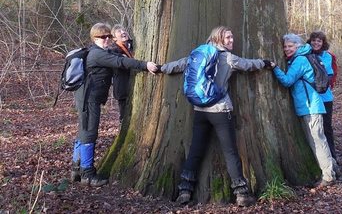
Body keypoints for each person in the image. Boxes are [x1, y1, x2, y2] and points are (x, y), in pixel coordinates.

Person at [159, 26, 272, 207]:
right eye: (228, 38)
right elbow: (248, 64)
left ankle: (185, 190)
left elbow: (181, 64)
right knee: (230, 152)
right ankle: (241, 193)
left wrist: (162, 68)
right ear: (218, 38)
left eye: (232, 37)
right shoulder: (228, 58)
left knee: (195, 150)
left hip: (200, 110)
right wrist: (265, 63)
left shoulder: (199, 54)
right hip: (220, 110)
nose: (231, 41)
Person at [71, 23, 158, 187]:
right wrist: (145, 65)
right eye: (102, 37)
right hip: (89, 99)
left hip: (87, 98)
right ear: (94, 38)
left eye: (108, 36)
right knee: (89, 132)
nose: (106, 40)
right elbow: (120, 63)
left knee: (83, 131)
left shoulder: (98, 52)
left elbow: (115, 54)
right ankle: (87, 174)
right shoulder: (97, 55)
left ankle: (76, 169)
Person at [268, 33, 336, 187]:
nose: (286, 49)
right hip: (307, 106)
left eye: (290, 46)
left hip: (311, 106)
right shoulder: (300, 58)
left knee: (318, 142)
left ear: (298, 46)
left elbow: (287, 81)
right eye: (285, 46)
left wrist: (275, 67)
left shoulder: (299, 60)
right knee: (317, 140)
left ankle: (328, 176)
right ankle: (333, 169)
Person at [307, 31, 338, 162]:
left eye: (319, 41)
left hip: (325, 98)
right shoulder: (305, 54)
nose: (316, 43)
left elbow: (329, 75)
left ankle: (332, 156)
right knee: (313, 130)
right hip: (310, 99)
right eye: (313, 40)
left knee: (326, 128)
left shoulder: (327, 56)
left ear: (323, 43)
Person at [108, 24, 135, 123]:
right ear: (114, 38)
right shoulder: (113, 50)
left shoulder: (129, 46)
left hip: (131, 86)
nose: (123, 32)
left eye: (124, 30)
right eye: (119, 31)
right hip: (122, 88)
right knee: (124, 115)